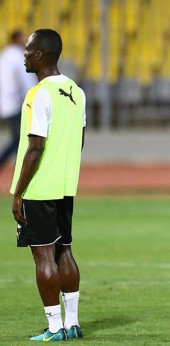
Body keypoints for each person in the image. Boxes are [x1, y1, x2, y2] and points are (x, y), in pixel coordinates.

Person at [10, 29, 86, 341]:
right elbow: (80, 140)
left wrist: (18, 192)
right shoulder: (76, 91)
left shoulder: (38, 94)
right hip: (66, 185)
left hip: (40, 187)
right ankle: (73, 324)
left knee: (43, 256)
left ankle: (54, 328)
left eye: (27, 51)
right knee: (64, 251)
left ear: (39, 54)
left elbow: (35, 147)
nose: (24, 55)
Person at [0, 30, 37, 171]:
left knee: (18, 140)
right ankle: (24, 170)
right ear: (16, 40)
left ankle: (23, 169)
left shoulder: (4, 55)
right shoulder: (18, 56)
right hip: (17, 104)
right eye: (24, 39)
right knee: (22, 141)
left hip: (6, 104)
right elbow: (27, 81)